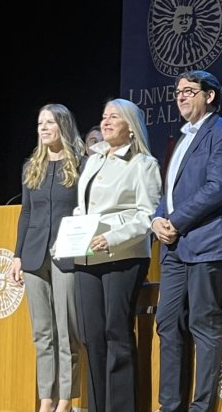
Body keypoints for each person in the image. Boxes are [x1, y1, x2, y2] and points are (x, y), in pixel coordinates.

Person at [151, 70, 222, 412]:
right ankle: (170, 405)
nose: (181, 96)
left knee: (202, 323)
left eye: (190, 91)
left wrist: (175, 221)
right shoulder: (182, 138)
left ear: (209, 96)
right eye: (178, 91)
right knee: (167, 321)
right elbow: (171, 190)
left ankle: (201, 406)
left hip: (207, 242)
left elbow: (217, 189)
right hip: (175, 247)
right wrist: (158, 219)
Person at [73, 99, 161, 412]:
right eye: (104, 115)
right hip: (86, 257)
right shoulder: (93, 160)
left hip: (122, 256)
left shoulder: (143, 164)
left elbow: (146, 215)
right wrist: (70, 236)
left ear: (131, 125)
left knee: (115, 333)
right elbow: (83, 207)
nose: (107, 121)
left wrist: (110, 237)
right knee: (91, 336)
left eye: (115, 117)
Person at [10, 103, 84, 412]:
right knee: (42, 333)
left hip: (66, 254)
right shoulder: (32, 167)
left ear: (62, 127)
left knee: (66, 331)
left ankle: (66, 400)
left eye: (49, 122)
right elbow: (27, 213)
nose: (43, 128)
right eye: (40, 122)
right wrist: (17, 256)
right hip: (33, 256)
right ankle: (46, 400)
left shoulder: (80, 163)